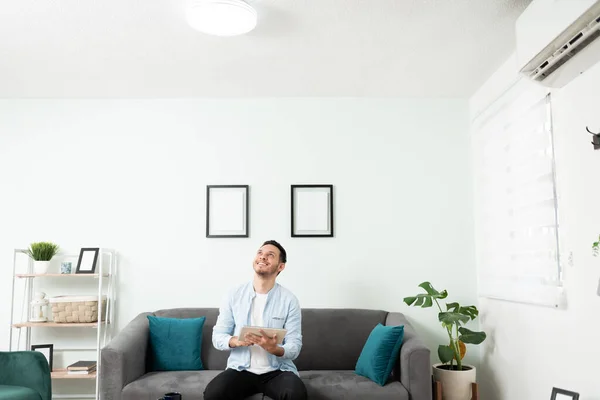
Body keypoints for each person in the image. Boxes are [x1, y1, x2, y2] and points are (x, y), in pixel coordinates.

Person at [204, 240, 308, 400]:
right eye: (260, 253)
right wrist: (235, 341)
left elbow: (294, 347)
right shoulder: (234, 295)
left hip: (278, 372)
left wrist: (275, 349)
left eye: (270, 255)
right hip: (240, 370)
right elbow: (218, 336)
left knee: (296, 394)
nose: (263, 257)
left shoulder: (289, 300)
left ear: (280, 266)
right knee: (213, 393)